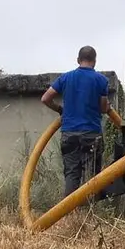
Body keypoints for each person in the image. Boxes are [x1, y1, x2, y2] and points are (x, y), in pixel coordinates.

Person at [41, 45, 111, 199]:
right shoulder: (101, 80)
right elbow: (104, 107)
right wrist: (106, 107)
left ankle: (69, 214)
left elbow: (45, 98)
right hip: (91, 134)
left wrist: (60, 109)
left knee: (72, 175)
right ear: (94, 61)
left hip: (69, 134)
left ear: (78, 60)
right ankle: (90, 214)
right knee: (93, 178)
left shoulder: (66, 78)